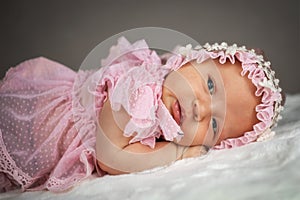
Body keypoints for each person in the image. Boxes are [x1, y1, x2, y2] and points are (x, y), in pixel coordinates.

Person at [0, 37, 284, 192]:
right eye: (210, 85)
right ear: (187, 60)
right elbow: (110, 157)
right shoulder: (141, 87)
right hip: (30, 121)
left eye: (214, 123)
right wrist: (181, 154)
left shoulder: (166, 109)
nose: (201, 108)